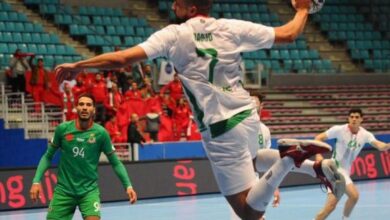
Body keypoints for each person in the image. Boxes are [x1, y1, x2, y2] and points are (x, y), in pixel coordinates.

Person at [54, 1, 345, 219]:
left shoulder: (174, 34)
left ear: (190, 8)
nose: (172, 5)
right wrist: (304, 9)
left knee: (247, 211)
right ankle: (312, 166)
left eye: (177, 2)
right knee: (255, 158)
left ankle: (287, 160)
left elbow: (122, 59)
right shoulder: (231, 27)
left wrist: (78, 66)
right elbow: (289, 34)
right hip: (248, 115)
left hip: (220, 127)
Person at [30, 93, 137, 220]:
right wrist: (36, 181)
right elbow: (47, 157)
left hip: (89, 192)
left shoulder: (101, 134)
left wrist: (128, 185)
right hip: (63, 191)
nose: (84, 107)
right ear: (76, 108)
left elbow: (116, 163)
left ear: (94, 110)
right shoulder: (63, 129)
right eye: (81, 104)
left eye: (88, 105)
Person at [314, 108, 390, 220]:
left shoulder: (365, 134)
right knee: (346, 199)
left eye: (357, 117)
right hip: (335, 169)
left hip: (345, 172)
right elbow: (318, 138)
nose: (354, 119)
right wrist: (318, 154)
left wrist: (388, 145)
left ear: (361, 119)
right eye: (352, 117)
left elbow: (379, 146)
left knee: (342, 201)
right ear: (348, 118)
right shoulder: (339, 130)